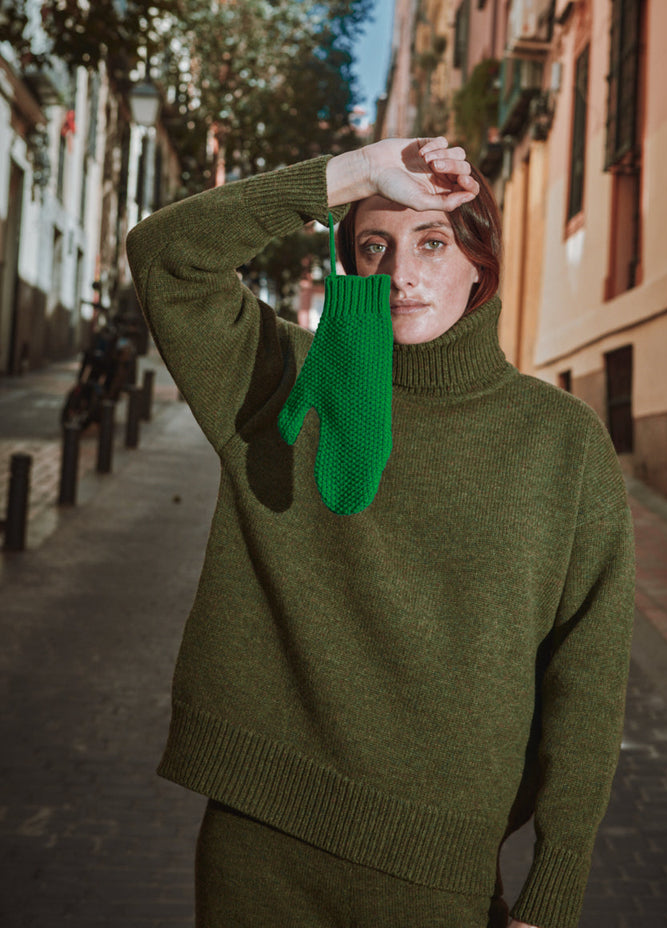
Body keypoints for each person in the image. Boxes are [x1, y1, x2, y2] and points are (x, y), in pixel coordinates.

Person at [126, 136, 635, 928]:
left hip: (437, 871)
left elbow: (589, 675)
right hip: (261, 840)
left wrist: (555, 883)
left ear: (480, 261)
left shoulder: (561, 441)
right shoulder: (284, 382)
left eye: (432, 242)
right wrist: (353, 173)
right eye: (375, 245)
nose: (401, 273)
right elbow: (165, 257)